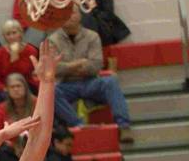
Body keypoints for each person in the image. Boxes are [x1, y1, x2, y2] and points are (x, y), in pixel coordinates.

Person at [49, 7, 134, 143]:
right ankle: (78, 124)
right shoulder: (52, 40)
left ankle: (124, 126)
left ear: (80, 16)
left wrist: (69, 67)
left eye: (73, 13)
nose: (69, 16)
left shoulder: (92, 36)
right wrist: (78, 64)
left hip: (90, 82)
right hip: (66, 84)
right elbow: (55, 68)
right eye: (65, 14)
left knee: (110, 81)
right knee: (51, 91)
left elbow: (96, 65)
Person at [0, 20, 39, 99]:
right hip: (6, 87)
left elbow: (24, 73)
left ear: (20, 33)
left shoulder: (31, 50)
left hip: (26, 84)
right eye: (8, 34)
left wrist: (15, 57)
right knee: (7, 96)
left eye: (14, 33)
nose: (12, 37)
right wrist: (5, 88)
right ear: (4, 37)